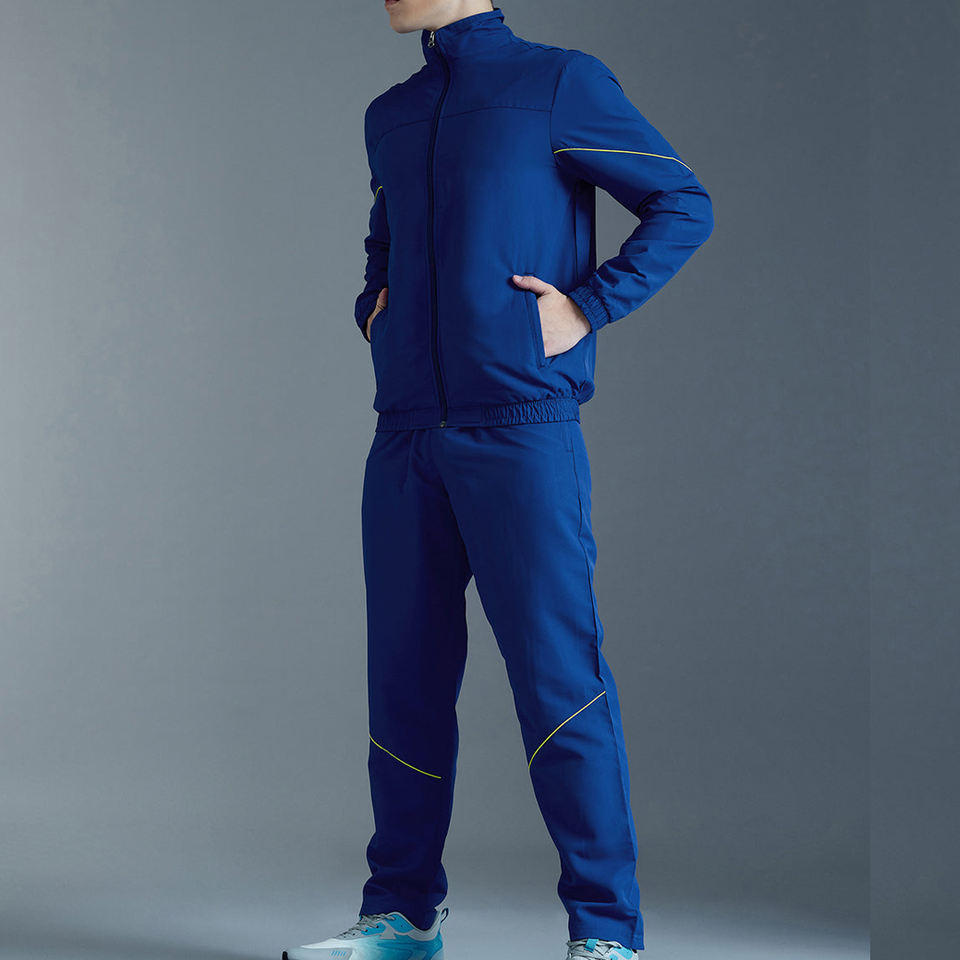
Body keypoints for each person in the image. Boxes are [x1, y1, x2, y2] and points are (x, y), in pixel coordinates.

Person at [281, 2, 713, 958]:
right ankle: (403, 916)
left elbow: (684, 202)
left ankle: (606, 932)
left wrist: (588, 306)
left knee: (558, 680)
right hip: (405, 439)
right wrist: (375, 310)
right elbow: (386, 243)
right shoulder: (392, 112)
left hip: (521, 432)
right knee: (403, 682)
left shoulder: (557, 82)